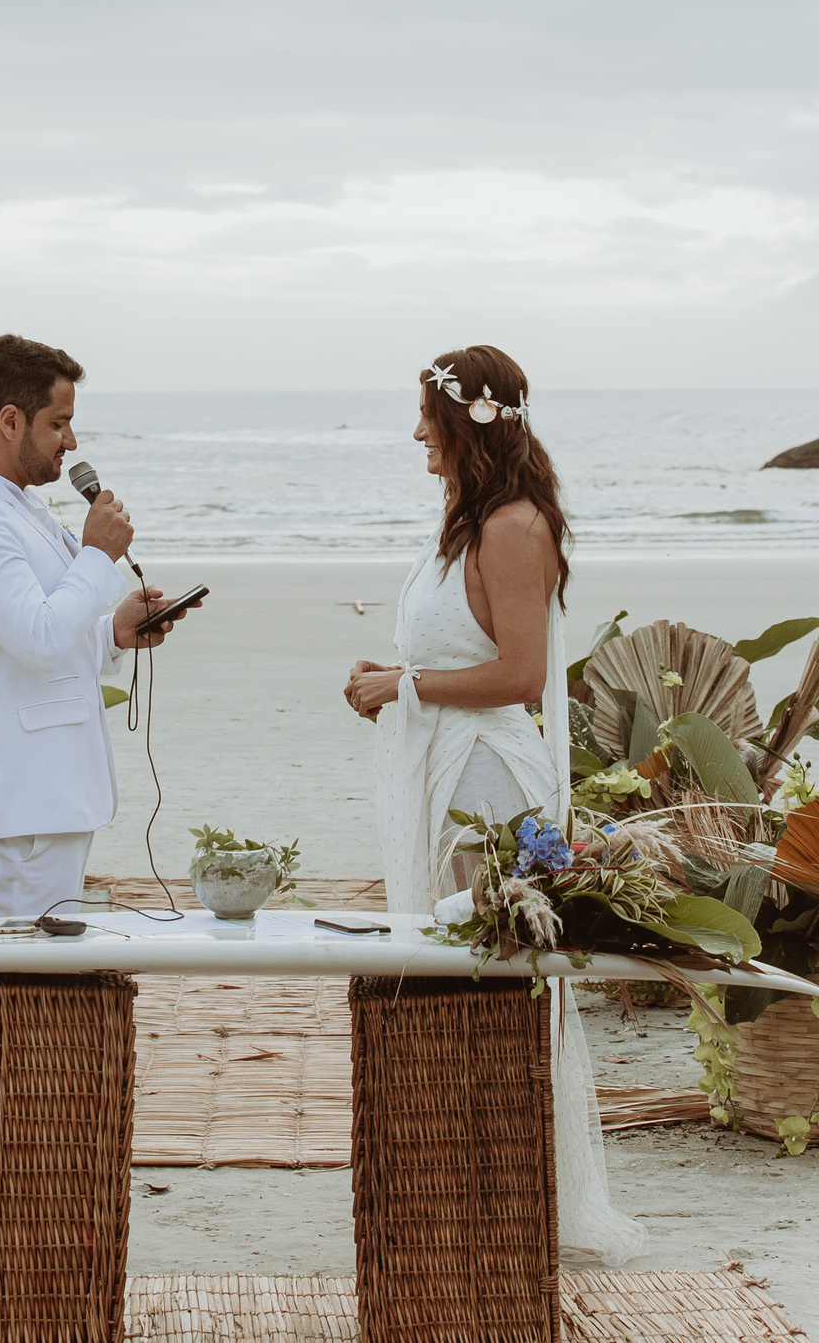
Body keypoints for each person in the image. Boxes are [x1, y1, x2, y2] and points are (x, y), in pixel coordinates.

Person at [343, 345, 647, 1266]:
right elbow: (461, 651)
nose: (417, 434)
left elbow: (519, 676)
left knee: (496, 979)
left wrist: (405, 686)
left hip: (489, 785)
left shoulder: (515, 527)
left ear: (467, 423)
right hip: (446, 767)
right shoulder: (465, 519)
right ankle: (469, 1170)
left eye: (426, 417)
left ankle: (511, 1184)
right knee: (454, 975)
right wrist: (394, 678)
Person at [0, 333, 179, 922]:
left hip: (46, 802)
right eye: (58, 423)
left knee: (44, 977)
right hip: (17, 808)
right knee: (21, 976)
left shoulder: (20, 503)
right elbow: (39, 640)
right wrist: (96, 555)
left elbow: (39, 635)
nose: (71, 441)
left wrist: (113, 633)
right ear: (10, 421)